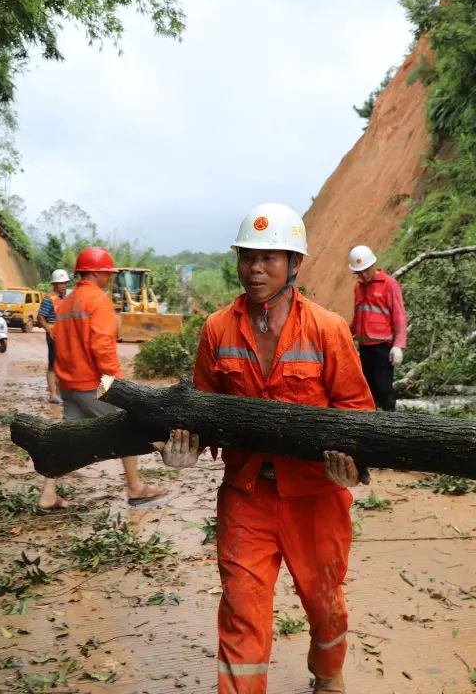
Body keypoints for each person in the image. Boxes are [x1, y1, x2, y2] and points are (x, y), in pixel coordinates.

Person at [154, 204, 375, 694]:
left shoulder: (328, 329)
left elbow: (359, 413)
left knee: (324, 601)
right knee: (241, 607)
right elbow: (201, 412)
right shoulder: (217, 330)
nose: (255, 268)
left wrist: (351, 467)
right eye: (247, 257)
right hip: (247, 494)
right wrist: (181, 449)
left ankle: (329, 674)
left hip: (315, 496)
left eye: (269, 257)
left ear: (294, 263)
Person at [43, 247, 164, 512]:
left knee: (65, 439)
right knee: (128, 428)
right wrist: (119, 387)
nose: (109, 278)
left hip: (69, 385)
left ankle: (48, 493)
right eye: (107, 273)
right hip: (93, 385)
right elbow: (103, 349)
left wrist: (65, 379)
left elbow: (59, 344)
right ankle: (135, 487)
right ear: (97, 273)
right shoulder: (98, 301)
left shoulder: (67, 303)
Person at [348, 245, 407, 411]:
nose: (363, 275)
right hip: (365, 347)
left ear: (373, 265)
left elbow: (399, 316)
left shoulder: (389, 284)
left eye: (366, 270)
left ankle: (390, 422)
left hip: (382, 347)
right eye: (359, 272)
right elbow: (357, 318)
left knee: (383, 387)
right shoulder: (358, 287)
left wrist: (398, 346)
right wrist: (344, 334)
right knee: (367, 388)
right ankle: (371, 425)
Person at [38, 269, 71, 404]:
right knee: (53, 365)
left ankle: (59, 391)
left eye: (65, 283)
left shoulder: (68, 298)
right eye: (60, 283)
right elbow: (40, 318)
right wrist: (50, 332)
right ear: (54, 284)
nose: (63, 286)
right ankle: (52, 394)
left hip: (66, 337)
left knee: (64, 365)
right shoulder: (48, 299)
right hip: (54, 337)